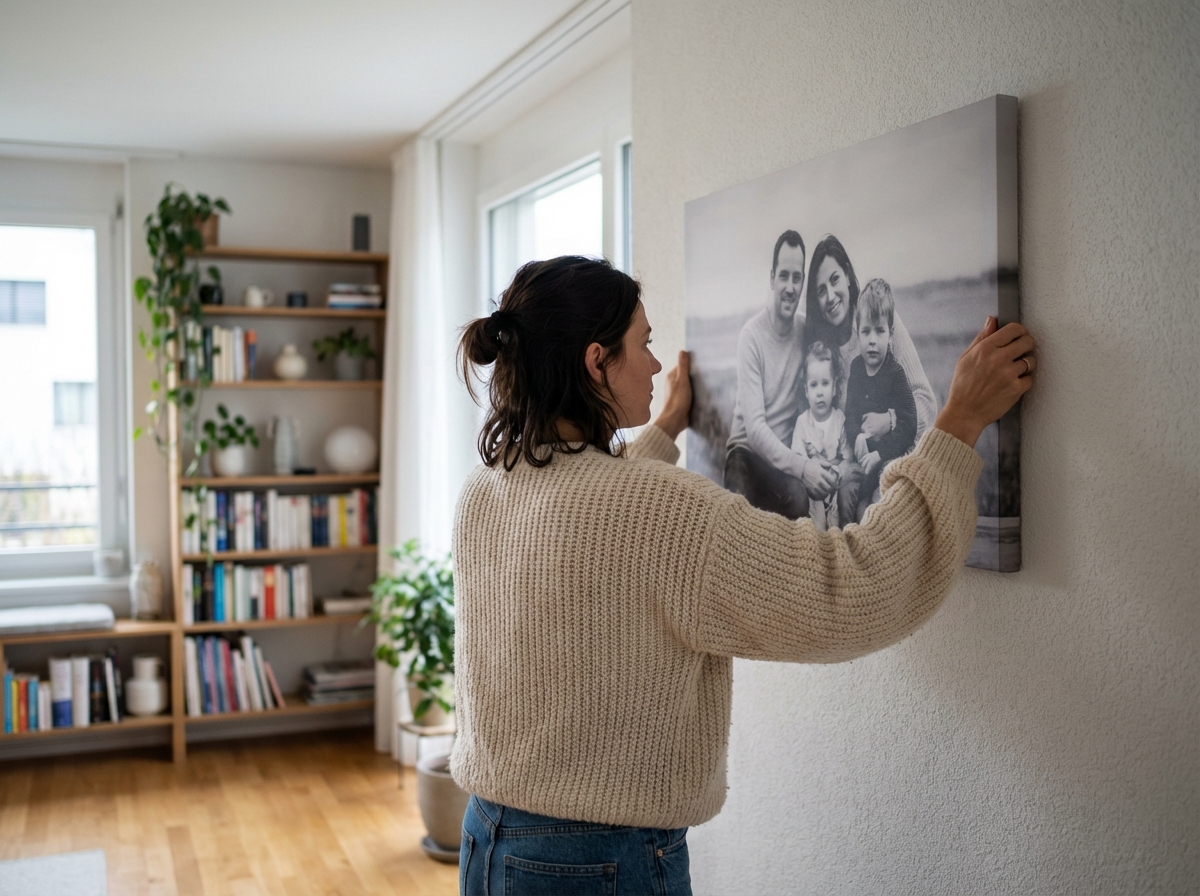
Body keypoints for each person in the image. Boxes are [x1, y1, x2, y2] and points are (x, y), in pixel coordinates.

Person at [453, 255, 1035, 896]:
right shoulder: (656, 515)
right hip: (598, 866)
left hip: (488, 840)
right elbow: (854, 587)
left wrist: (667, 426)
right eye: (643, 344)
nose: (654, 363)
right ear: (596, 363)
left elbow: (592, 531)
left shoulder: (489, 487)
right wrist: (957, 426)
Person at [724, 230, 839, 519]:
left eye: (797, 278)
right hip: (746, 456)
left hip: (783, 462)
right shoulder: (751, 336)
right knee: (738, 514)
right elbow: (755, 428)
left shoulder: (805, 333)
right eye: (784, 276)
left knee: (798, 498)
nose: (790, 286)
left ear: (803, 283)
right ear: (772, 277)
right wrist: (802, 467)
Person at [843, 279, 918, 521]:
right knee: (849, 500)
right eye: (866, 331)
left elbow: (909, 424)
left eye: (879, 330)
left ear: (891, 334)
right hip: (863, 458)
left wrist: (880, 453)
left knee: (873, 509)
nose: (872, 340)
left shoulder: (895, 373)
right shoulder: (856, 368)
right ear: (858, 332)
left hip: (889, 457)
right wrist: (856, 437)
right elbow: (851, 413)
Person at [789, 340, 850, 530]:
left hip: (835, 487)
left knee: (837, 525)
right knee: (817, 527)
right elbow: (797, 457)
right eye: (814, 385)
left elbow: (848, 457)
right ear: (806, 391)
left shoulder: (839, 419)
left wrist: (837, 473)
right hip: (813, 490)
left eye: (825, 384)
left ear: (833, 388)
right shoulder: (802, 422)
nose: (820, 392)